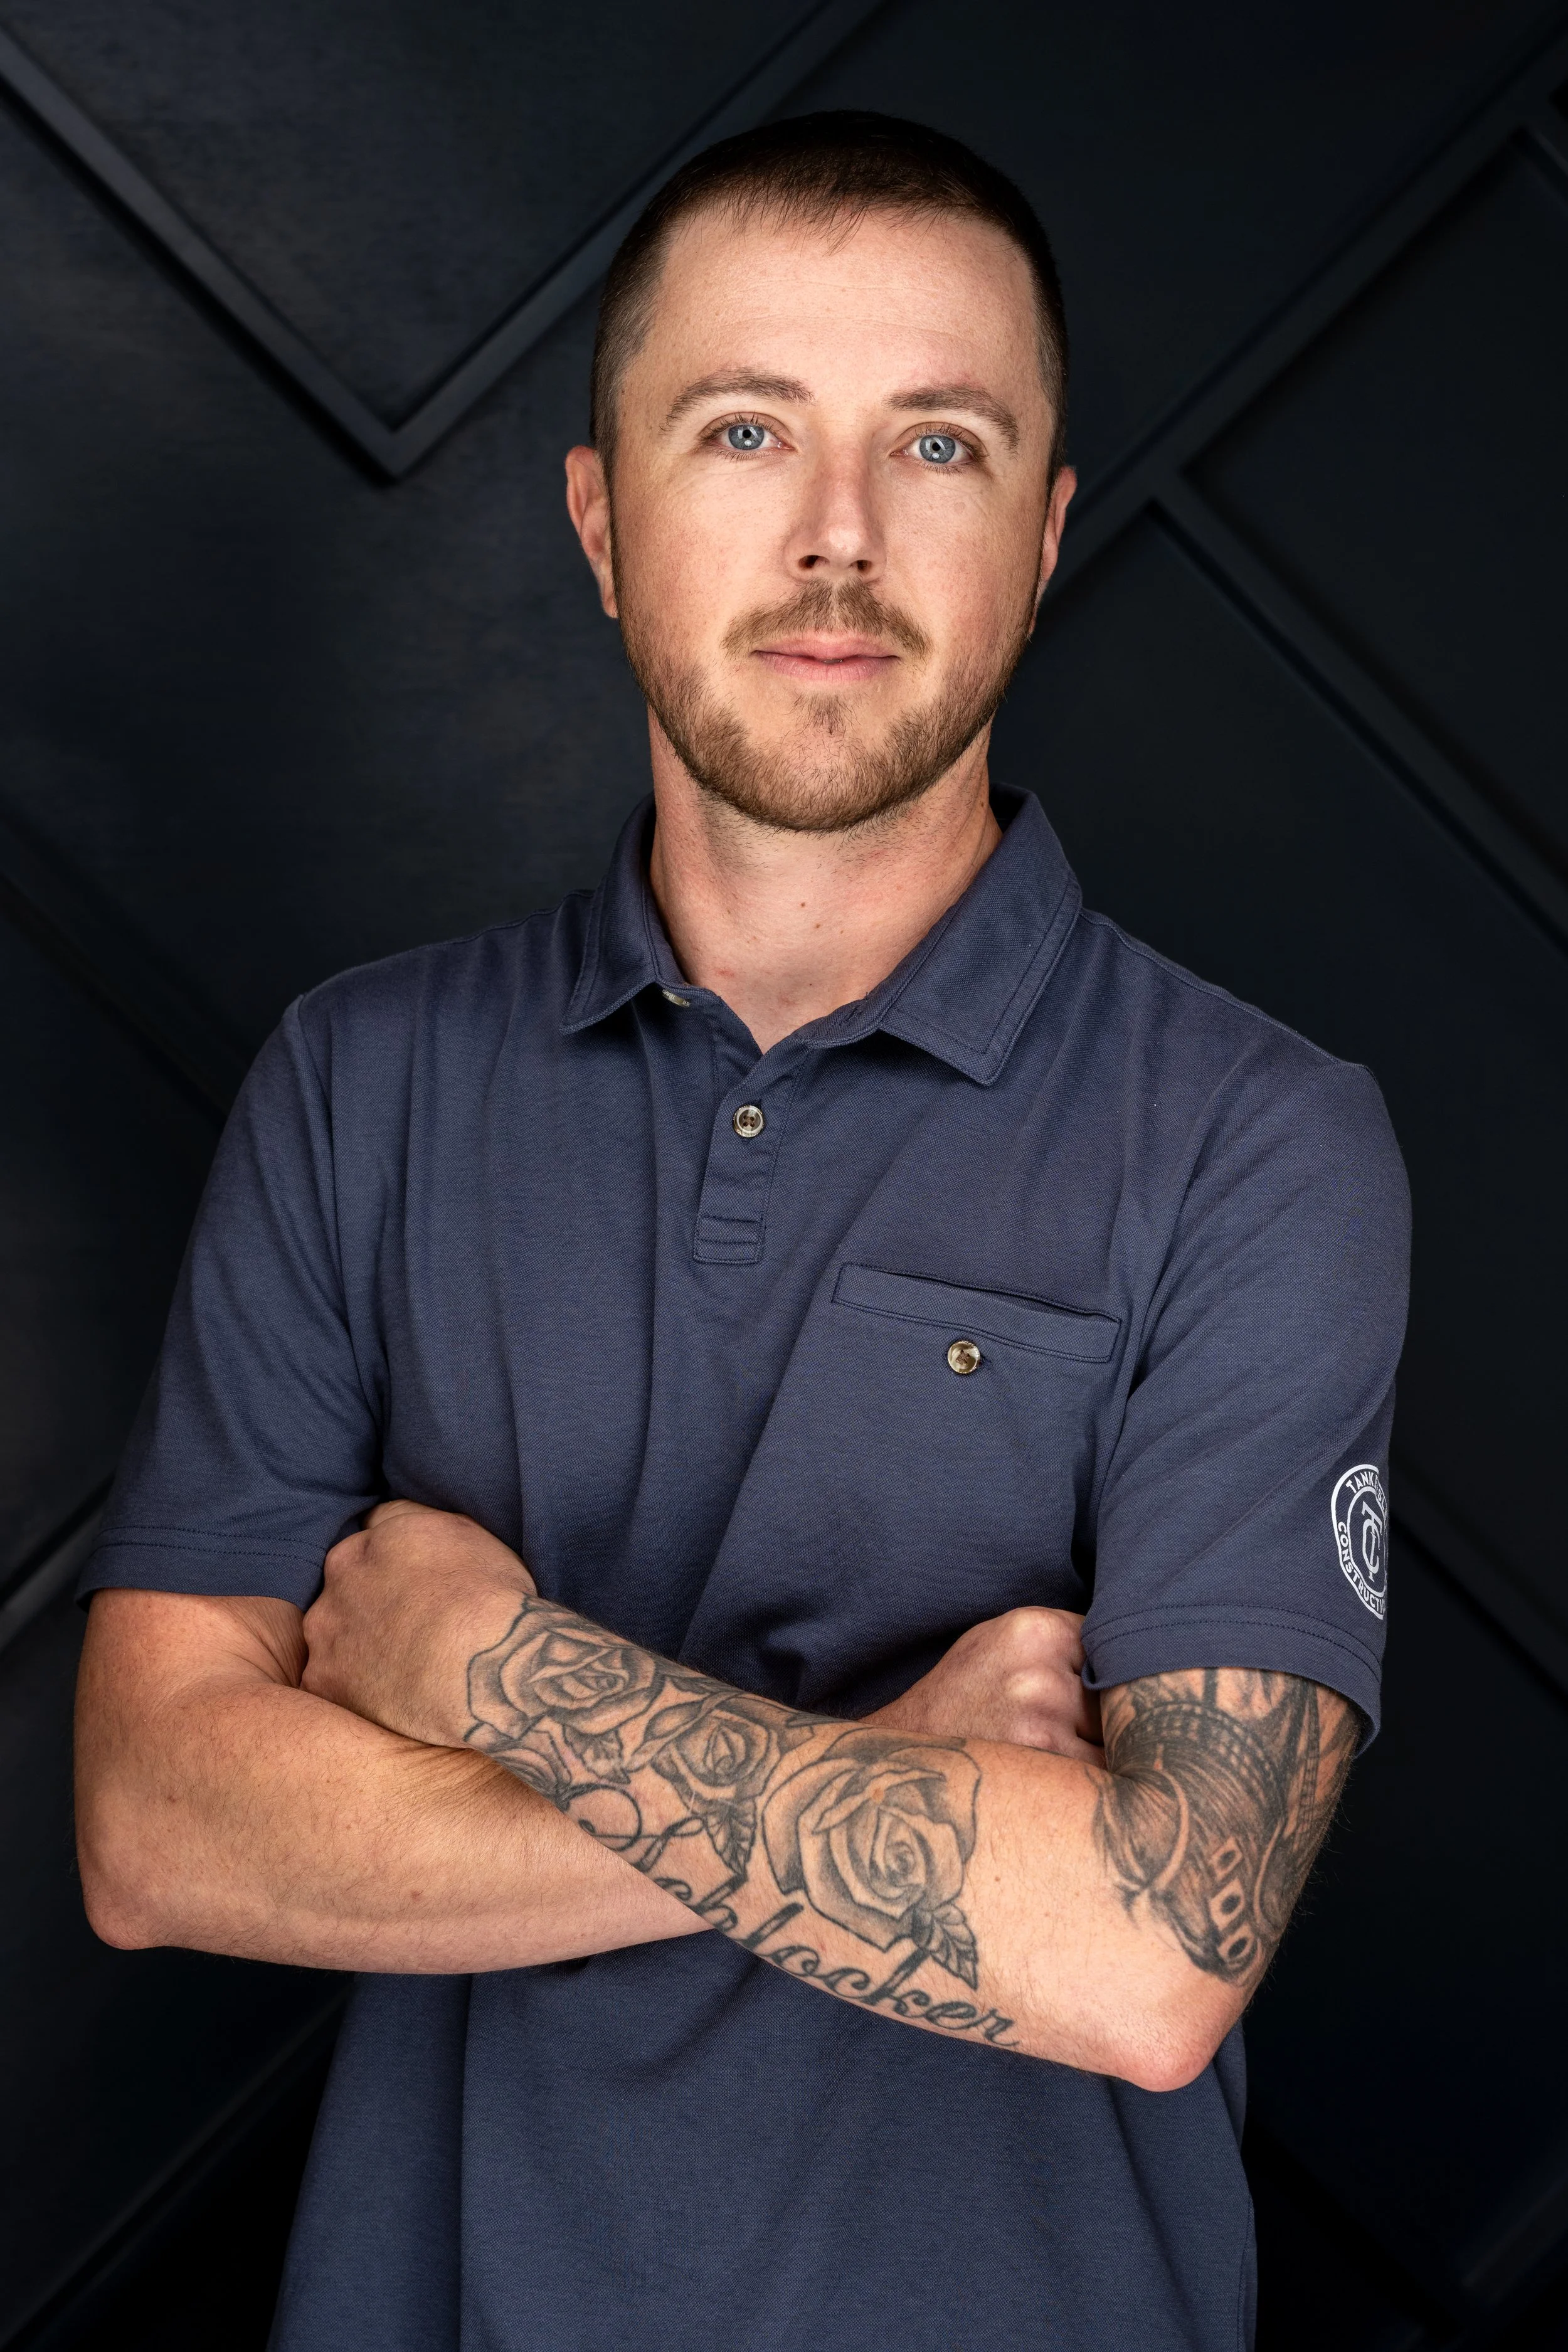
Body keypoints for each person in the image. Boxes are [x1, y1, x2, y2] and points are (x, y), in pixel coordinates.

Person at [74, 112, 1409, 2352]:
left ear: (1049, 532)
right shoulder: (360, 1085)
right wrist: (894, 1777)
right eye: (742, 427)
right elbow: (157, 1827)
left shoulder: (1257, 1141)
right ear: (603, 521)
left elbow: (1147, 1956)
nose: (836, 537)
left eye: (942, 443)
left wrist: (503, 1672)